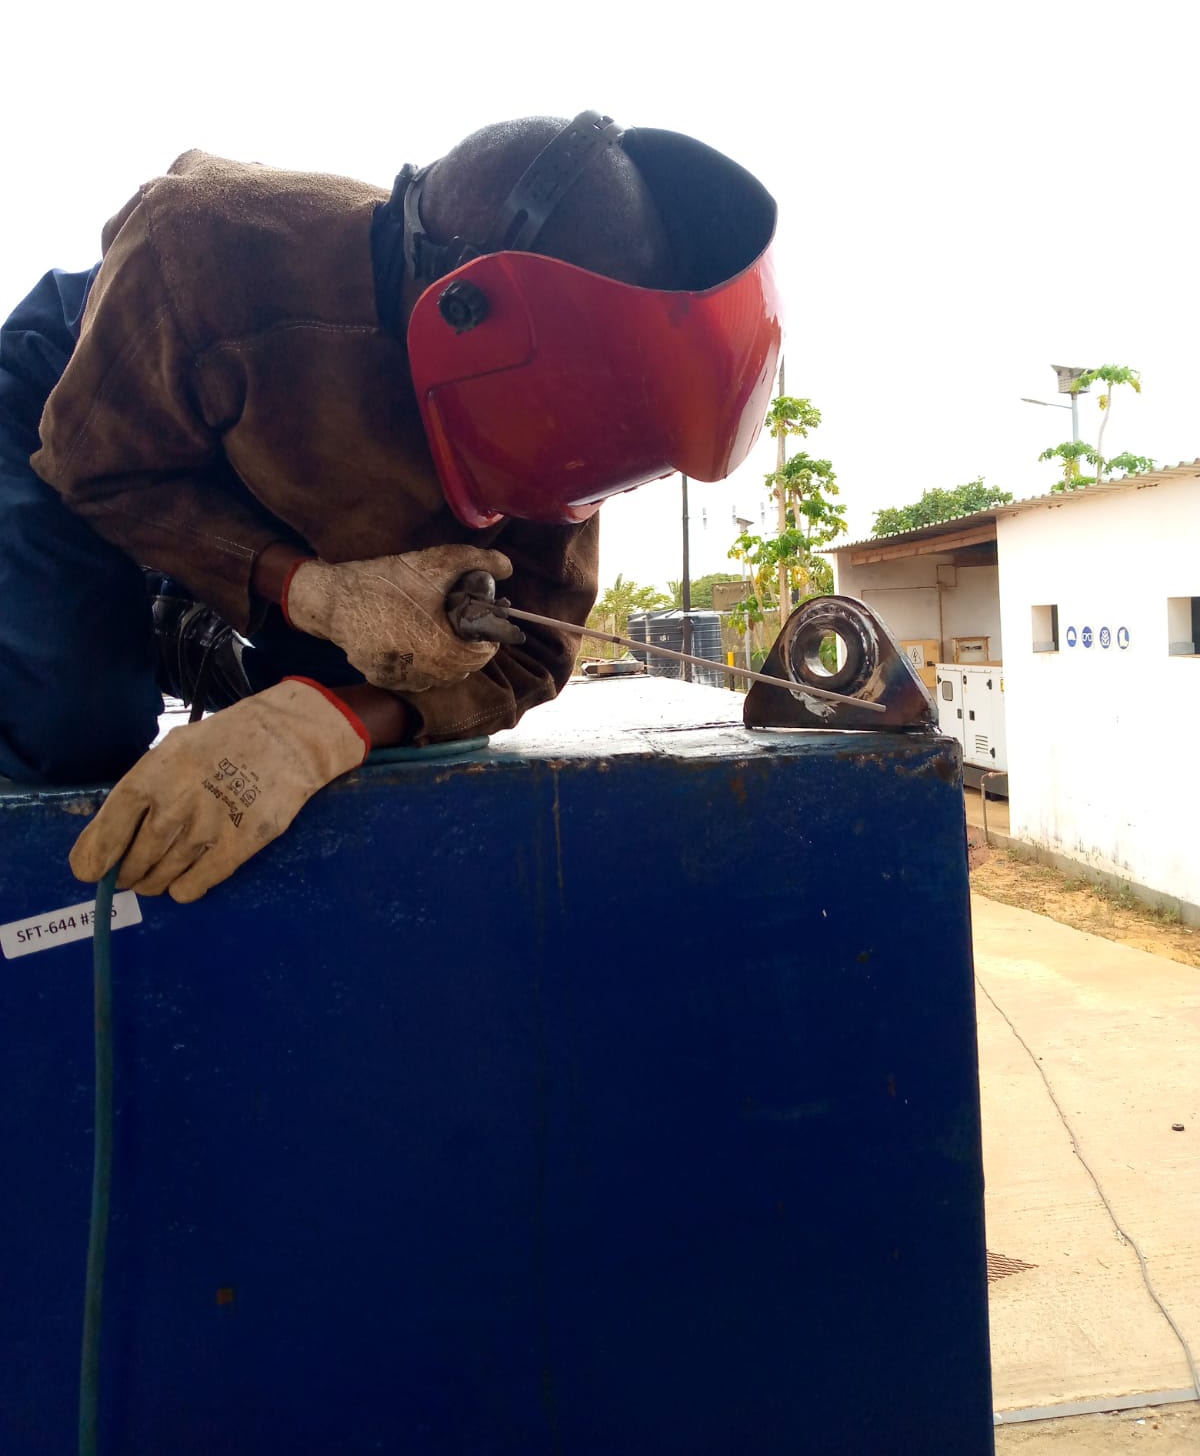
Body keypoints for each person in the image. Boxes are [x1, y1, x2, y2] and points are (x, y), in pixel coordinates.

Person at [0, 111, 780, 900]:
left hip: (278, 473)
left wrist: (323, 726)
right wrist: (312, 591)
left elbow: (533, 651)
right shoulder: (201, 245)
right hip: (78, 415)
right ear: (464, 323)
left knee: (368, 690)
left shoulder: (568, 402)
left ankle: (192, 626)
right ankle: (153, 604)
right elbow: (93, 475)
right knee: (73, 724)